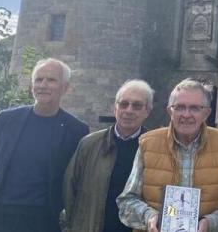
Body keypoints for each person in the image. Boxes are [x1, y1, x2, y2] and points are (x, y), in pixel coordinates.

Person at [0, 58, 89, 232]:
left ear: (65, 87)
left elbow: (75, 178)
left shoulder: (76, 130)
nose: (43, 85)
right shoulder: (6, 120)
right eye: (39, 79)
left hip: (41, 218)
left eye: (51, 80)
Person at [117, 79, 218, 232]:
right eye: (179, 107)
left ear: (206, 113)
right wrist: (150, 218)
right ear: (170, 111)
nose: (186, 115)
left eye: (194, 108)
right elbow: (127, 200)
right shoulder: (148, 144)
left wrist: (210, 223)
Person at [63, 79, 154, 232]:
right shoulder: (89, 144)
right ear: (115, 108)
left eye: (137, 106)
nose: (129, 110)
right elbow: (70, 189)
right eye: (123, 104)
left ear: (147, 111)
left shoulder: (156, 147)